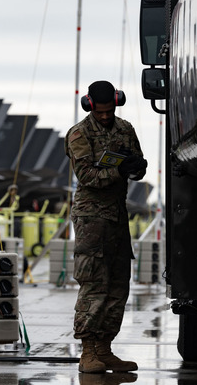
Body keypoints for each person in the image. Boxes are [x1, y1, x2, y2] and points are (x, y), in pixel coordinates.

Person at [64, 80, 147, 374]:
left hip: (117, 215)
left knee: (117, 285)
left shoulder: (124, 129)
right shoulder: (79, 133)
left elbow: (136, 163)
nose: (104, 116)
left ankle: (104, 349)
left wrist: (136, 167)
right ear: (90, 106)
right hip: (91, 217)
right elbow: (86, 175)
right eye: (99, 112)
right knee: (94, 283)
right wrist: (118, 170)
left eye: (109, 111)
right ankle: (88, 351)